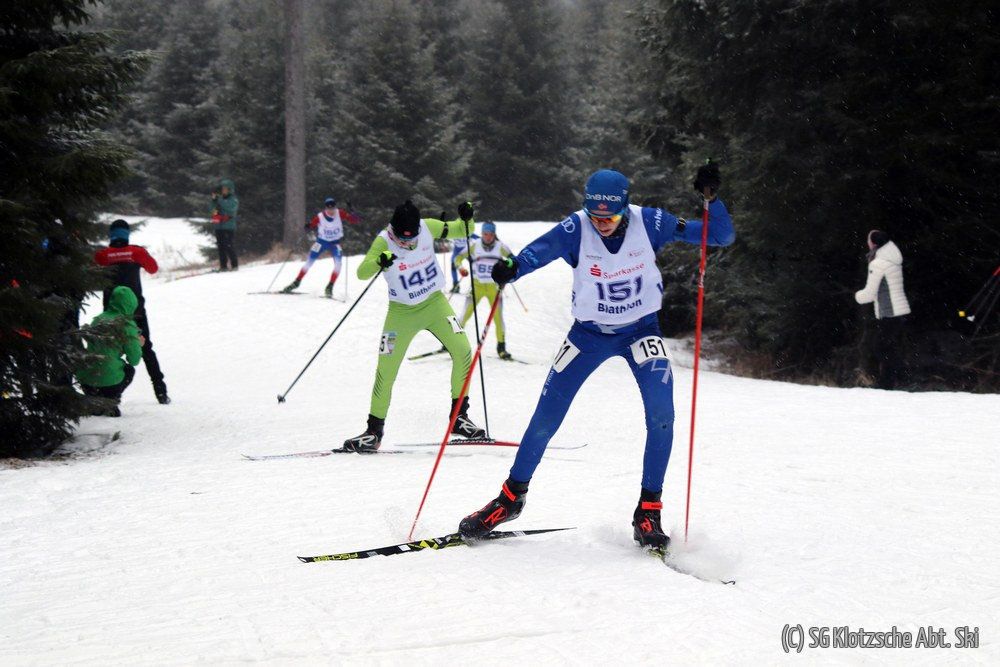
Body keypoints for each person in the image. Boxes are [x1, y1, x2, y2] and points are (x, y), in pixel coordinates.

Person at [458, 166, 735, 552]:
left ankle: (648, 511)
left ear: (625, 208)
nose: (602, 224)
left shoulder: (650, 222)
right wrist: (513, 268)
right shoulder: (576, 227)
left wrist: (711, 199)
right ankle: (510, 499)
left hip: (641, 331)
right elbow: (539, 252)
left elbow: (720, 236)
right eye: (595, 216)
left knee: (662, 415)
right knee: (545, 418)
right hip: (587, 336)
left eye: (610, 217)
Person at [343, 200, 487, 452]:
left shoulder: (428, 227)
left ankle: (459, 418)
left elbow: (463, 230)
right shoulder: (383, 241)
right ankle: (374, 431)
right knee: (385, 370)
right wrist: (379, 261)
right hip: (401, 313)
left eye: (412, 238)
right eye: (402, 239)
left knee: (464, 350)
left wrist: (467, 216)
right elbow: (362, 272)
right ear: (394, 231)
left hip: (435, 304)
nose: (407, 243)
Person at [95, 219, 170, 404]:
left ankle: (109, 393)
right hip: (135, 310)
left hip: (110, 312)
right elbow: (153, 268)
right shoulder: (136, 252)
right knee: (146, 348)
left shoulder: (102, 255)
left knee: (110, 349)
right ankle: (161, 392)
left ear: (111, 236)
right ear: (127, 234)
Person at [854, 229, 911, 389]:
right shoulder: (891, 259)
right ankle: (887, 383)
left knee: (880, 346)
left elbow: (870, 293)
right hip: (897, 310)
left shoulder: (878, 263)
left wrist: (857, 296)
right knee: (887, 346)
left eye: (868, 240)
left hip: (891, 311)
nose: (867, 243)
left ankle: (904, 378)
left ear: (873, 243)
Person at [76, 285, 144, 417]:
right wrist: (138, 344)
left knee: (103, 367)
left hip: (87, 378)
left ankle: (95, 399)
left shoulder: (98, 319)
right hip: (109, 381)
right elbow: (134, 360)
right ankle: (111, 401)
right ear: (132, 304)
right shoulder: (127, 325)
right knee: (129, 370)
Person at [453, 221, 516, 360]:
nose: (488, 237)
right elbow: (458, 258)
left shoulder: (501, 247)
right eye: (485, 234)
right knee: (464, 315)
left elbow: (514, 261)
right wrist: (461, 268)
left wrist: (507, 270)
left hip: (494, 288)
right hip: (477, 287)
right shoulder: (474, 245)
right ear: (482, 234)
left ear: (494, 234)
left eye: (491, 234)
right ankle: (451, 342)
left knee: (498, 318)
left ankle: (501, 348)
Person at [282, 197, 361, 296]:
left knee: (338, 265)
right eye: (329, 209)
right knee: (309, 262)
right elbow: (311, 226)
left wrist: (351, 209)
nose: (331, 212)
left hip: (334, 244)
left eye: (332, 209)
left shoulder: (339, 213)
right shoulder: (320, 216)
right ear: (325, 209)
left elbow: (356, 220)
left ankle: (330, 287)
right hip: (321, 243)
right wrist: (308, 227)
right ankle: (296, 282)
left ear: (335, 208)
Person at [447, 201, 478, 293]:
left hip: (466, 250)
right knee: (453, 264)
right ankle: (455, 285)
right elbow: (447, 232)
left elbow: (473, 235)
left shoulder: (469, 226)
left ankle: (475, 286)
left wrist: (484, 238)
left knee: (475, 265)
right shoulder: (457, 225)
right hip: (457, 251)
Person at [210, 179, 239, 271]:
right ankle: (223, 266)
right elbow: (213, 210)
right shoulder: (220, 199)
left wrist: (218, 200)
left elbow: (229, 207)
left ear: (230, 189)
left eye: (225, 189)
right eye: (222, 189)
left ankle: (234, 265)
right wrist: (213, 201)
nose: (223, 191)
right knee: (221, 247)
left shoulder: (233, 200)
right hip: (219, 226)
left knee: (229, 246)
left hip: (228, 226)